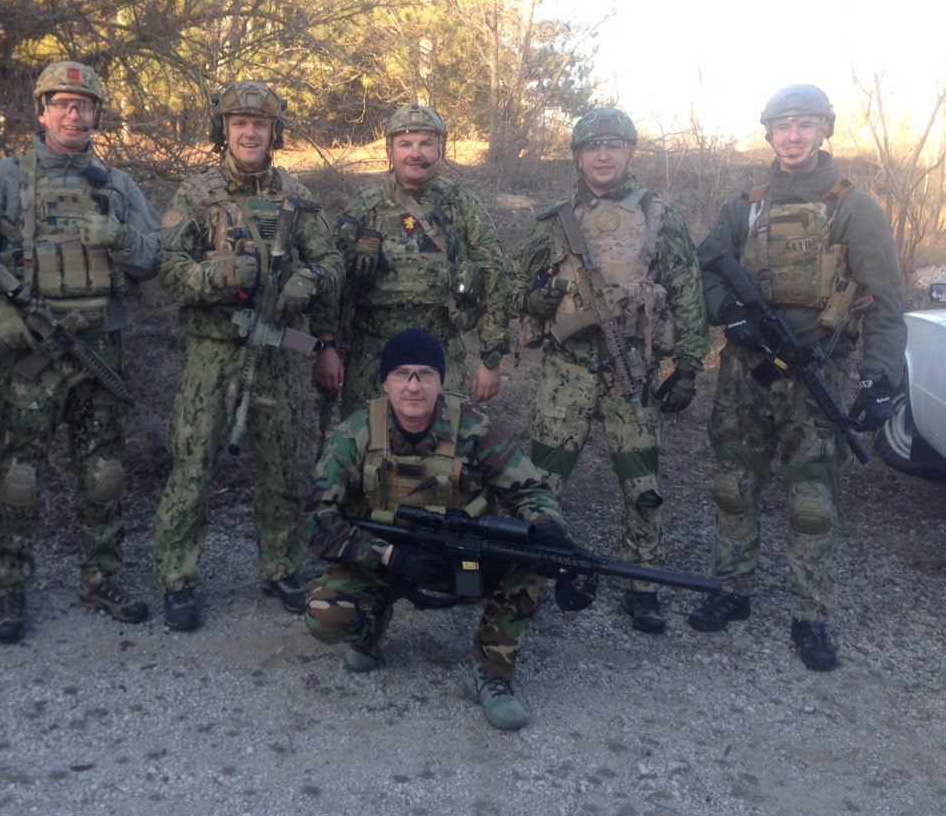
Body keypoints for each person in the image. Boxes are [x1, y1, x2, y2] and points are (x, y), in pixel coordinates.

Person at [689, 84, 905, 671]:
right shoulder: (745, 206)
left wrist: (880, 380)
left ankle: (811, 614)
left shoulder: (854, 208)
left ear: (824, 130)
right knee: (734, 485)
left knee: (813, 499)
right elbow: (702, 270)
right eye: (783, 126)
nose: (793, 136)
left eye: (805, 124)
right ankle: (732, 589)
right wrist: (729, 314)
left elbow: (886, 302)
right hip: (745, 372)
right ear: (769, 134)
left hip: (817, 372)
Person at [0, 61, 160, 644]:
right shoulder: (5, 179)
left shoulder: (116, 186)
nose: (74, 115)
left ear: (97, 114)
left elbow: (157, 257)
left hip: (99, 348)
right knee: (20, 475)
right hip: (34, 352)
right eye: (63, 104)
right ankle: (10, 588)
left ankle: (101, 578)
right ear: (41, 111)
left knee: (105, 473)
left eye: (85, 105)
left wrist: (118, 237)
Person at [304, 329, 574, 731]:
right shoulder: (356, 434)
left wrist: (546, 527)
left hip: (462, 556)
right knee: (326, 615)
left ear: (441, 382)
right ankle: (370, 625)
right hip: (386, 558)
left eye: (425, 374)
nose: (413, 386)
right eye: (402, 374)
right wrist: (388, 556)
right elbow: (316, 519)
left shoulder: (476, 429)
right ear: (385, 382)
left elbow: (531, 491)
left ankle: (490, 674)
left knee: (533, 560)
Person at [150, 80, 343, 631]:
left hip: (278, 353)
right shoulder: (197, 195)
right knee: (193, 465)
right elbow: (168, 270)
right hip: (212, 355)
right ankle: (177, 579)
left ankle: (281, 566)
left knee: (283, 466)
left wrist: (310, 279)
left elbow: (332, 262)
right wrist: (220, 276)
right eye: (239, 124)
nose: (250, 133)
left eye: (260, 125)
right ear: (224, 130)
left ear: (274, 133)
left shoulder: (296, 196)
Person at [508, 107, 708, 635]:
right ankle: (531, 575)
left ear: (629, 153)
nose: (602, 155)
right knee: (542, 482)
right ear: (578, 157)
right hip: (567, 372)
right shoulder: (553, 223)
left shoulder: (660, 217)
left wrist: (689, 365)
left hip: (632, 371)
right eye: (592, 147)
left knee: (643, 486)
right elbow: (513, 287)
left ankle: (643, 585)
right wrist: (539, 299)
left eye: (613, 146)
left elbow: (688, 295)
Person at [315, 105, 508, 419]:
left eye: (425, 143)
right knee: (367, 440)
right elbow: (333, 284)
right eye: (405, 144)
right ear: (390, 150)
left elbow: (494, 278)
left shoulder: (463, 207)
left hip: (440, 352)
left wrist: (491, 358)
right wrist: (327, 347)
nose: (415, 153)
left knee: (443, 440)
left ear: (439, 149)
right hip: (372, 355)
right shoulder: (364, 209)